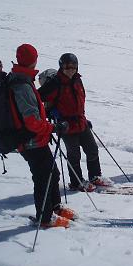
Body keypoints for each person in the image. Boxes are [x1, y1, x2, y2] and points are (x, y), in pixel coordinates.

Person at [8, 44, 75, 228]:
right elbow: (32, 121)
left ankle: (55, 207)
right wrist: (53, 127)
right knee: (43, 177)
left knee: (52, 173)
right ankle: (45, 218)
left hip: (37, 138)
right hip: (30, 140)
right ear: (33, 60)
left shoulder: (24, 79)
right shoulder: (22, 85)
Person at [38, 53, 110, 191]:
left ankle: (95, 176)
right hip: (66, 126)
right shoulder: (55, 83)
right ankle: (76, 182)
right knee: (74, 155)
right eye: (66, 66)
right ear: (61, 66)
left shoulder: (77, 80)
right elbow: (37, 98)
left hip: (81, 121)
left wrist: (83, 117)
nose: (70, 69)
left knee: (92, 149)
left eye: (73, 66)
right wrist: (51, 114)